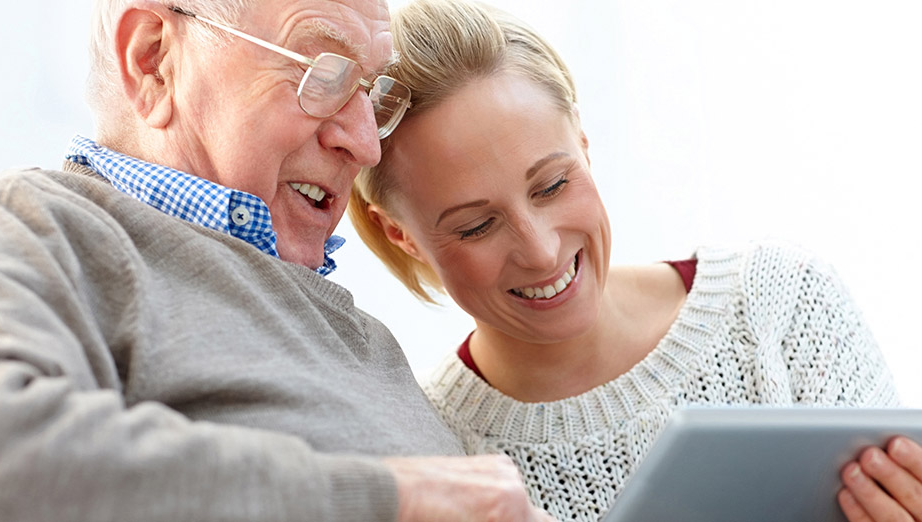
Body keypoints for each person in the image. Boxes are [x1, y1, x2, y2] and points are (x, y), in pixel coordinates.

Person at [348, 0, 922, 521]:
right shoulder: (429, 451)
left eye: (552, 185)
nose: (542, 250)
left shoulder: (781, 305)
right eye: (477, 226)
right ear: (399, 234)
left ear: (583, 140)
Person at [0, 0, 555, 520]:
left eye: (373, 90)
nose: (366, 143)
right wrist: (394, 499)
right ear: (153, 60)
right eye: (324, 74)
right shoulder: (32, 225)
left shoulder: (363, 337)